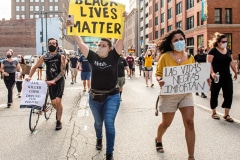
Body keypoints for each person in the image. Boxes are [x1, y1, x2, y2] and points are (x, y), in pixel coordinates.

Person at [67, 16, 125, 159]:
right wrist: (71, 26)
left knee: (109, 124)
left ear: (110, 49)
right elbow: (79, 42)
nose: (100, 47)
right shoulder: (93, 57)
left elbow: (121, 39)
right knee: (98, 123)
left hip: (112, 96)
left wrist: (124, 20)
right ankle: (99, 138)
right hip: (95, 97)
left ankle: (109, 153)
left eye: (103, 45)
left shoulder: (114, 56)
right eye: (98, 45)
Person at [155, 29, 195, 160]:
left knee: (189, 122)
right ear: (171, 44)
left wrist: (204, 78)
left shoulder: (190, 57)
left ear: (185, 40)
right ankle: (158, 138)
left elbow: (194, 75)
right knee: (166, 123)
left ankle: (191, 156)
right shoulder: (165, 56)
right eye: (176, 40)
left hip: (185, 94)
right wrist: (160, 80)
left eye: (181, 39)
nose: (179, 42)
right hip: (169, 95)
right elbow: (159, 74)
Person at [25, 38, 66, 130]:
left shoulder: (61, 56)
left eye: (53, 43)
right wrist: (29, 76)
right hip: (49, 81)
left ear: (56, 45)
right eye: (50, 43)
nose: (51, 45)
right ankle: (59, 111)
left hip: (59, 81)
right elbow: (35, 66)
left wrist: (54, 80)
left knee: (58, 101)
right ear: (48, 45)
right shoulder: (45, 56)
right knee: (53, 102)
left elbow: (62, 72)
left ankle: (58, 121)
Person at [207, 32, 237, 122]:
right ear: (218, 42)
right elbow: (209, 63)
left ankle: (226, 114)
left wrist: (235, 72)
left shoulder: (228, 50)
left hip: (227, 76)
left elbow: (231, 62)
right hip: (216, 76)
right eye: (223, 41)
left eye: (226, 41)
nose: (225, 43)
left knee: (229, 94)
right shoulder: (213, 51)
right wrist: (212, 73)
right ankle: (214, 112)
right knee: (214, 94)